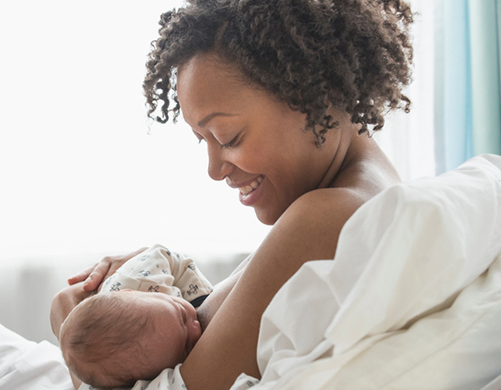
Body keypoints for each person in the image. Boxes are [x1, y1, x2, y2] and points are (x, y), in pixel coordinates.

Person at [51, 0, 414, 389]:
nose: (214, 170)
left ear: (314, 94)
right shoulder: (348, 200)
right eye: (201, 140)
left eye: (228, 137)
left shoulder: (329, 216)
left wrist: (73, 342)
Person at [57, 245, 214, 389]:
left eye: (182, 313)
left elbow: (165, 255)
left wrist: (201, 299)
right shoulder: (138, 368)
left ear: (131, 291)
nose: (195, 328)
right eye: (186, 347)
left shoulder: (140, 279)